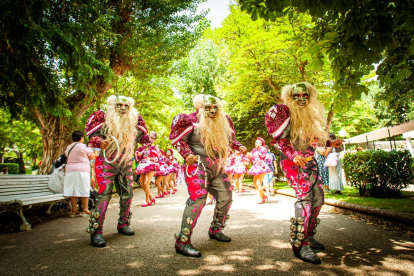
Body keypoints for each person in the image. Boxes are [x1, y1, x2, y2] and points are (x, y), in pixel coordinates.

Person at [265, 82, 343, 264]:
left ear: (310, 96)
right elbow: (279, 140)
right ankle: (300, 244)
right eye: (296, 96)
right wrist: (294, 155)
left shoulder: (311, 114)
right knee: (305, 198)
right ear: (289, 97)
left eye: (305, 95)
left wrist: (331, 144)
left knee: (319, 198)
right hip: (291, 161)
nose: (301, 98)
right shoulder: (283, 112)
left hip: (310, 161)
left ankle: (308, 234)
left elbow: (314, 141)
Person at [169, 94, 246, 258]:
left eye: (214, 107)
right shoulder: (188, 120)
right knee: (199, 198)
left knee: (226, 197)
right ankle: (182, 240)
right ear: (199, 107)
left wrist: (239, 147)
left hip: (217, 165)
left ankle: (215, 229)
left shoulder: (224, 121)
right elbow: (178, 140)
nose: (212, 110)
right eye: (207, 107)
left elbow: (231, 139)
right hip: (197, 164)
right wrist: (186, 153)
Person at [85, 95, 156, 247]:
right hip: (105, 161)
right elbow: (92, 137)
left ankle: (123, 224)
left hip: (125, 162)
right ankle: (96, 231)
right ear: (113, 106)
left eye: (126, 105)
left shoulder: (134, 121)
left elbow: (142, 140)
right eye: (119, 105)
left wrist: (149, 138)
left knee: (127, 194)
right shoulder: (102, 118)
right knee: (103, 196)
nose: (123, 108)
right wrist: (100, 142)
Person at [64, 131, 96, 218]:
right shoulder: (84, 146)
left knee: (72, 189)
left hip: (70, 170)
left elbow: (66, 156)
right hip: (82, 169)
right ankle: (85, 209)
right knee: (83, 187)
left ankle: (74, 210)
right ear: (81, 138)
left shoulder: (69, 147)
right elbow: (92, 156)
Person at [248, 137, 271, 204]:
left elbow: (263, 156)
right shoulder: (254, 150)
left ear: (261, 143)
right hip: (255, 167)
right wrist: (249, 157)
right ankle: (264, 196)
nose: (256, 143)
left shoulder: (263, 149)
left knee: (258, 183)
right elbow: (251, 159)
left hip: (261, 167)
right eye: (255, 142)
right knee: (254, 183)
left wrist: (256, 153)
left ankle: (261, 198)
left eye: (257, 142)